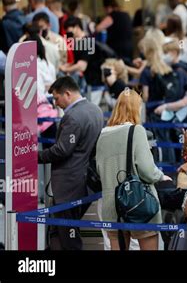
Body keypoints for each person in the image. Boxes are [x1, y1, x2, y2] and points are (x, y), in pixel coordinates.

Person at [96, 89, 172, 250]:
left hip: (112, 205)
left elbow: (99, 169)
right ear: (136, 108)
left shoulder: (102, 134)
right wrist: (160, 176)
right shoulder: (137, 130)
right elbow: (146, 170)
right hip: (139, 202)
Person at [38, 76, 103, 250]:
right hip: (84, 182)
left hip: (69, 185)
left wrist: (35, 157)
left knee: (67, 234)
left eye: (57, 98)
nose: (55, 104)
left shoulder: (72, 117)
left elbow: (62, 150)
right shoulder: (95, 110)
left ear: (67, 93)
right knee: (59, 230)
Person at [61, 17, 108, 106]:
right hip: (87, 84)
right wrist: (66, 66)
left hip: (94, 84)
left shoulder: (87, 42)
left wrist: (66, 69)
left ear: (77, 27)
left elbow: (82, 66)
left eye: (69, 30)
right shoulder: (78, 43)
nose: (68, 33)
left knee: (90, 111)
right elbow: (76, 62)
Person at [95, 0, 134, 65]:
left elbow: (98, 28)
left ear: (107, 7)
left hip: (117, 49)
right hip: (129, 47)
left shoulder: (113, 16)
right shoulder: (126, 14)